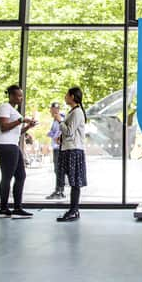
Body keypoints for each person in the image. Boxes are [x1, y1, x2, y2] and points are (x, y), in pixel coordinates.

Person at [0, 85, 37, 219]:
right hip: (5, 145)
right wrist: (21, 120)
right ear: (11, 95)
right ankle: (4, 209)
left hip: (12, 144)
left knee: (21, 176)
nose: (21, 98)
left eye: (21, 95)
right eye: (18, 95)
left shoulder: (12, 110)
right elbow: (4, 127)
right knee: (7, 177)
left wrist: (28, 126)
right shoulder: (5, 107)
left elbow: (16, 132)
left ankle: (17, 208)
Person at [54, 87, 88, 222]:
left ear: (72, 96)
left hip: (74, 150)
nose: (65, 97)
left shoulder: (77, 112)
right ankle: (74, 209)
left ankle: (74, 210)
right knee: (72, 180)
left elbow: (69, 132)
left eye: (67, 95)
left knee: (74, 181)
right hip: (68, 149)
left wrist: (59, 120)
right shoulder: (73, 112)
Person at [46, 102, 65, 199]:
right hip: (56, 147)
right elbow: (54, 132)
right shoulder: (55, 120)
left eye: (52, 109)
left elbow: (62, 130)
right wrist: (50, 134)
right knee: (57, 169)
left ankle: (59, 191)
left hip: (59, 147)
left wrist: (56, 136)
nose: (51, 110)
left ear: (56, 109)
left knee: (58, 169)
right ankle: (59, 190)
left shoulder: (60, 118)